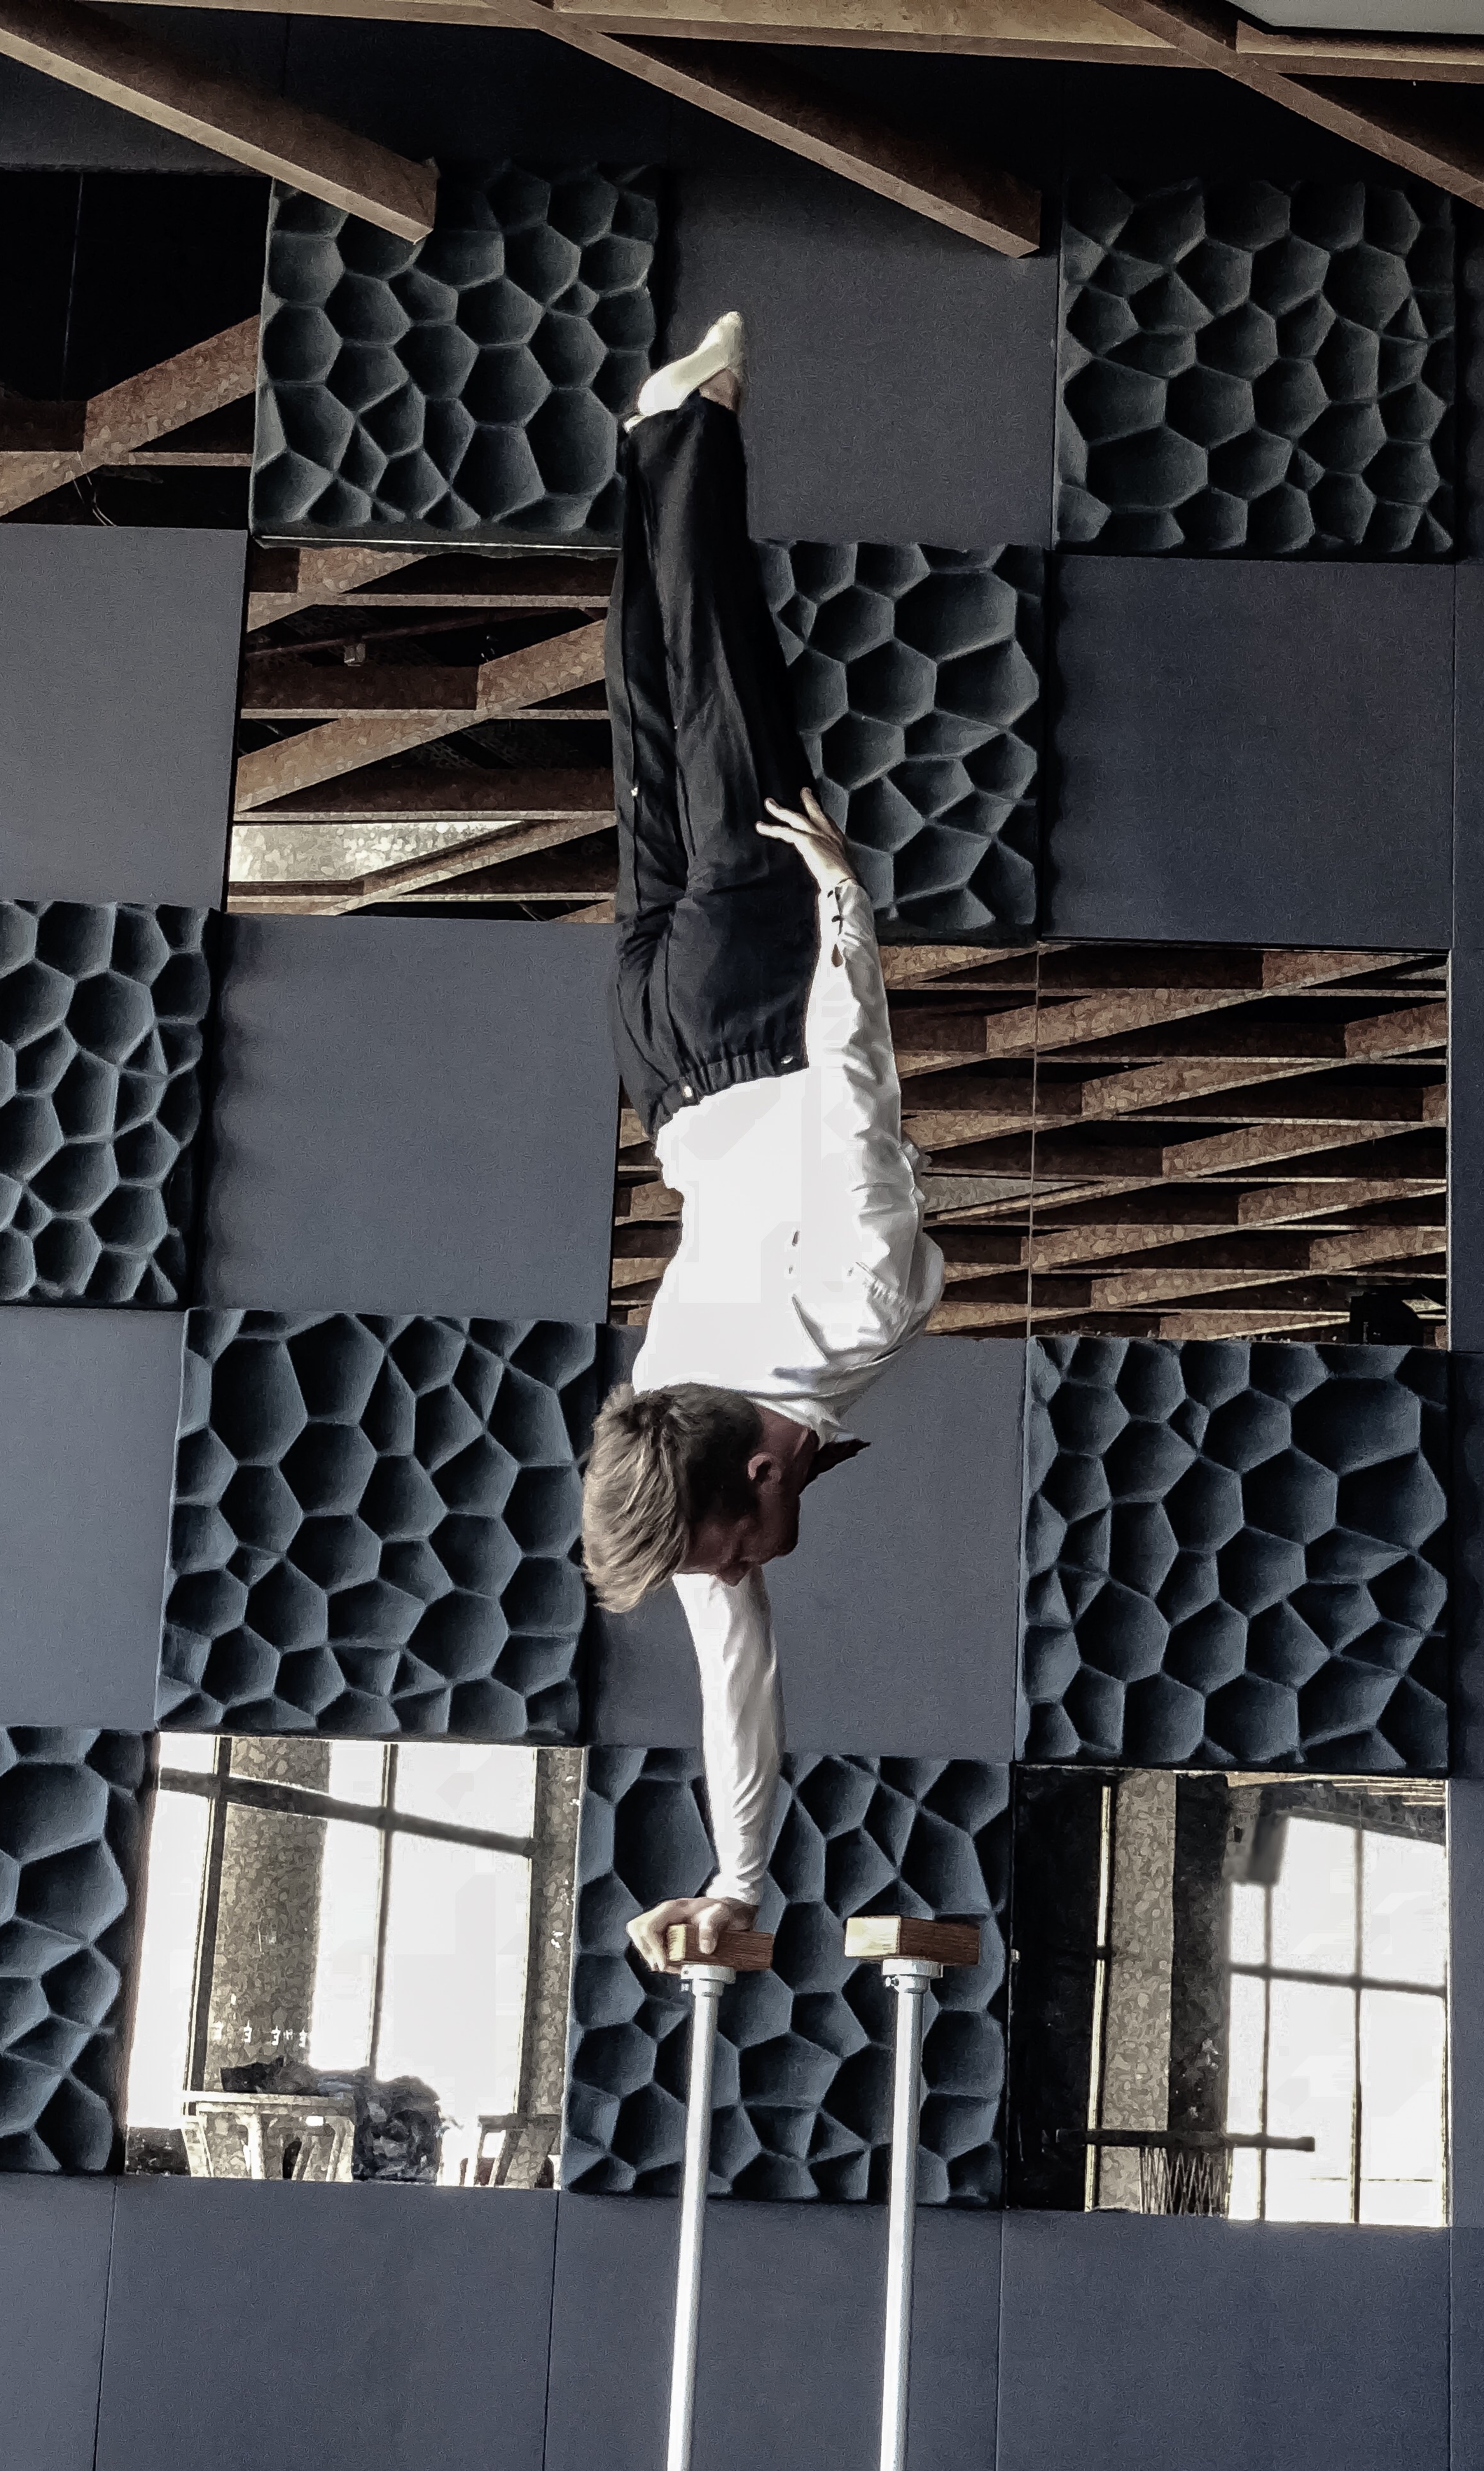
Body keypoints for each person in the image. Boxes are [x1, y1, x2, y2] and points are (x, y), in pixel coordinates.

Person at [579, 312, 943, 1972]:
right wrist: (733, 1884)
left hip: (751, 1001)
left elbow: (858, 1099)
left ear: (744, 1493)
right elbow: (738, 1687)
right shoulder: (670, 1412)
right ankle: (649, 449)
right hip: (659, 1058)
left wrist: (847, 916)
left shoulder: (850, 1323)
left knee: (726, 689)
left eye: (717, 1559)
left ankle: (692, 426)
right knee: (651, 728)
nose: (730, 1587)